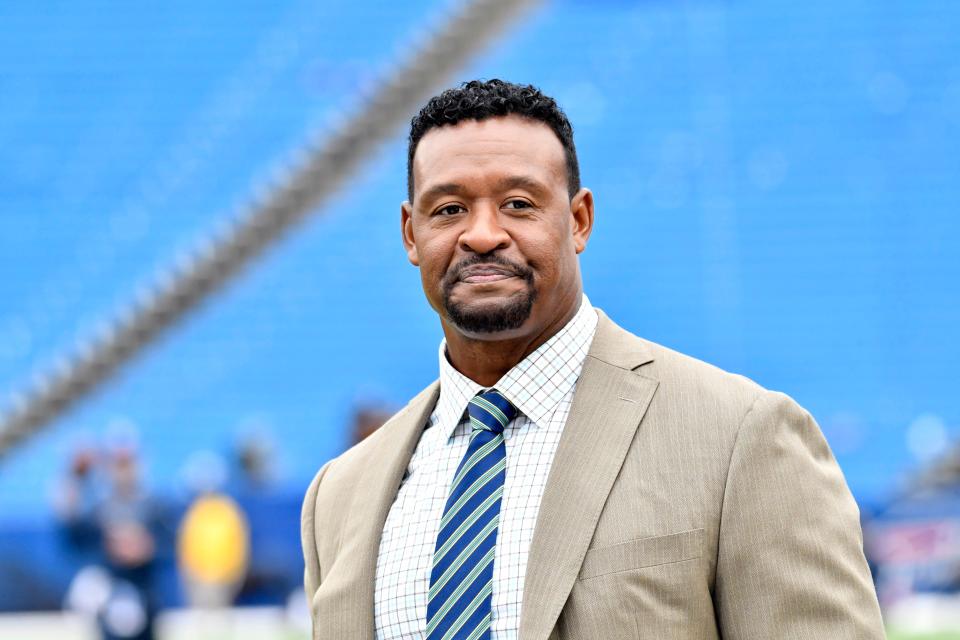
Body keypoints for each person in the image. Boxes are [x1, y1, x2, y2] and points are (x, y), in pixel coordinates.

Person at [300, 79, 885, 639]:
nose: (481, 234)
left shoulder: (740, 438)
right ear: (410, 233)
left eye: (518, 203)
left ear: (578, 220)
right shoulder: (339, 496)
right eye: (449, 209)